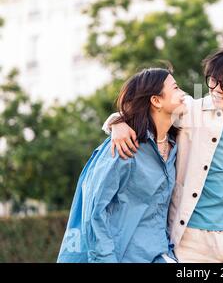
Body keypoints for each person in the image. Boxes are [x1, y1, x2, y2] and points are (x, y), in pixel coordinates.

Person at [103, 48, 223, 262]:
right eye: (213, 81)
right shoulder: (190, 110)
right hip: (191, 241)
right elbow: (146, 111)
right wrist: (117, 123)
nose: (217, 89)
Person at [57, 68, 185, 263]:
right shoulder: (123, 148)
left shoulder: (174, 145)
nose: (183, 94)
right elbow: (94, 214)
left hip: (159, 255)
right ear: (156, 101)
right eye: (176, 88)